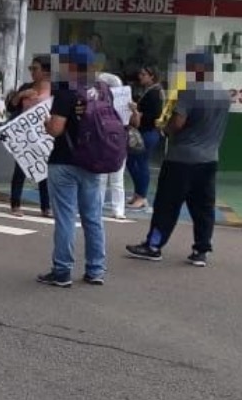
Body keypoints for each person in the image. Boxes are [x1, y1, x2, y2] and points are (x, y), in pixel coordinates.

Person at [125, 49, 230, 267]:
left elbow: (178, 124)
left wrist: (165, 128)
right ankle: (201, 250)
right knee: (203, 206)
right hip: (209, 159)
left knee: (166, 204)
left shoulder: (190, 91)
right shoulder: (222, 93)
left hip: (181, 159)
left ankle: (153, 246)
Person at [38, 44, 106, 287]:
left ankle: (62, 270)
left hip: (65, 161)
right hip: (94, 160)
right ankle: (96, 269)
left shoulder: (67, 91)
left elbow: (56, 129)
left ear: (72, 65)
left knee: (66, 217)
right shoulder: (101, 89)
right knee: (93, 217)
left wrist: (47, 123)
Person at [7, 55, 53, 218]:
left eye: (35, 69)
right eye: (30, 69)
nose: (32, 72)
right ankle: (15, 203)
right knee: (20, 169)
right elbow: (11, 107)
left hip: (46, 136)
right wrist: (21, 95)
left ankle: (46, 206)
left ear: (46, 71)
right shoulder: (26, 87)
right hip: (25, 135)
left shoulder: (55, 89)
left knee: (44, 170)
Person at [126, 65, 164, 210]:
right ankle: (138, 193)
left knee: (141, 163)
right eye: (140, 74)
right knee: (132, 161)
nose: (140, 77)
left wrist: (137, 112)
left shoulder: (154, 93)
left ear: (151, 76)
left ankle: (141, 196)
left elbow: (153, 114)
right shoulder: (149, 91)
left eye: (143, 74)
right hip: (144, 131)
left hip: (148, 132)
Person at [97, 72, 128, 220]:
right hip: (113, 142)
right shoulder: (98, 103)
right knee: (111, 179)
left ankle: (113, 208)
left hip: (112, 141)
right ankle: (115, 209)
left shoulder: (120, 103)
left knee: (111, 178)